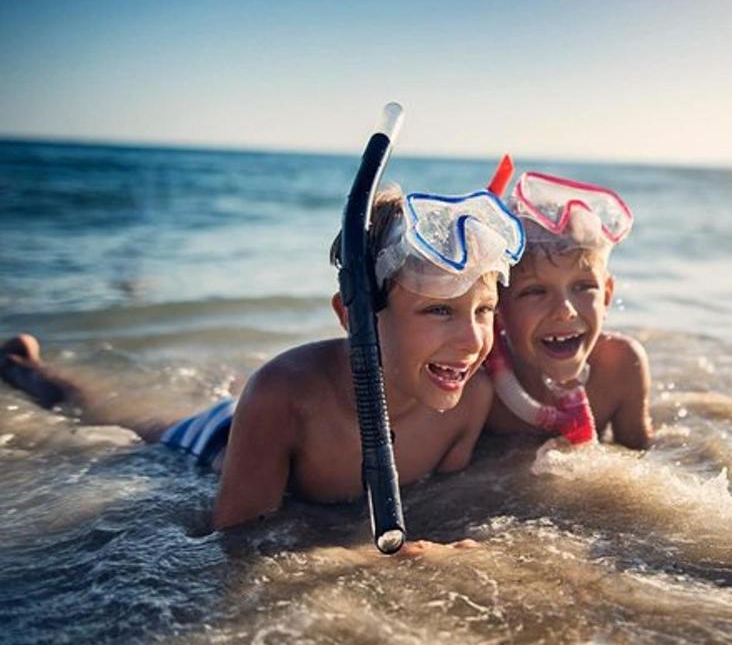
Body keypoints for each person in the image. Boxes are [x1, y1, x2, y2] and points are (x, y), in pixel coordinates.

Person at [1, 186, 526, 545]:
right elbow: (238, 540)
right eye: (439, 310)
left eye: (482, 310)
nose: (471, 338)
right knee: (117, 421)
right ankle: (28, 370)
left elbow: (439, 500)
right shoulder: (285, 393)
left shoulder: (469, 400)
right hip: (214, 440)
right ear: (354, 316)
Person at [485, 169, 653, 449]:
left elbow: (641, 456)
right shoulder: (481, 391)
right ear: (497, 305)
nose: (565, 311)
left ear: (607, 296)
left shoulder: (621, 367)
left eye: (583, 287)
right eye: (535, 291)